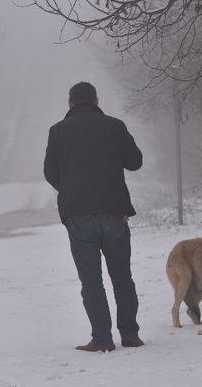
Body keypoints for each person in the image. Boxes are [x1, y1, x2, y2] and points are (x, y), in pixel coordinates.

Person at [44, 81, 144, 352]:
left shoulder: (58, 131)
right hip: (114, 212)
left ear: (70, 103)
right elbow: (135, 162)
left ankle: (102, 338)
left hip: (78, 216)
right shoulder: (115, 126)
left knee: (91, 280)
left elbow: (50, 173)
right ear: (97, 101)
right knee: (122, 276)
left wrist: (72, 190)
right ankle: (130, 334)